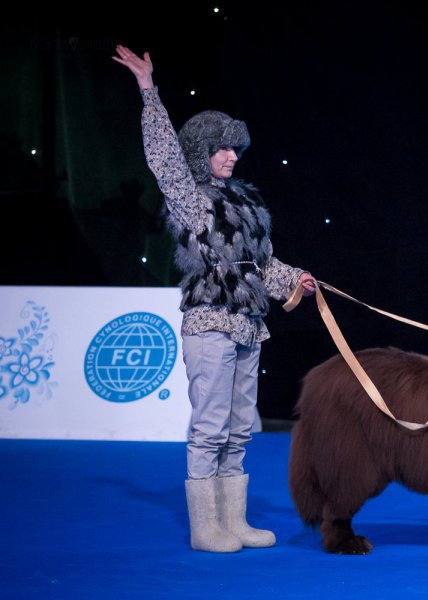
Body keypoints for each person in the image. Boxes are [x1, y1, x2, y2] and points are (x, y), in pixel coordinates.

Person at [113, 45, 316, 553]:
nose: (230, 156)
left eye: (235, 150)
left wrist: (296, 279)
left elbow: (261, 265)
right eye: (221, 148)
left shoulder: (245, 201)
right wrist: (148, 91)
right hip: (209, 322)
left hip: (249, 325)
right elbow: (162, 157)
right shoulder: (190, 196)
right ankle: (206, 528)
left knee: (240, 427)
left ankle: (234, 521)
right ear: (202, 150)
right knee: (209, 427)